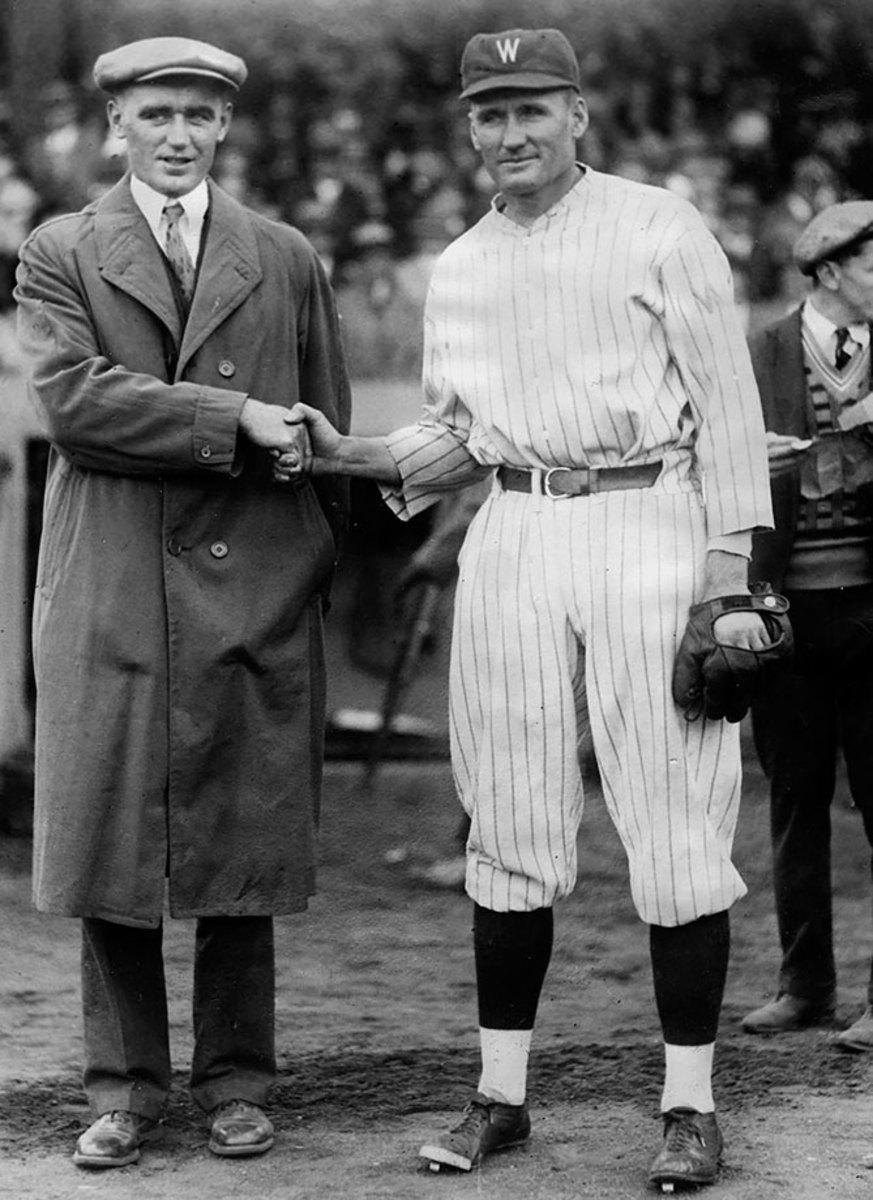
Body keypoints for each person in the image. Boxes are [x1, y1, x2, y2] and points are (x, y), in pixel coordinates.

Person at [278, 27, 774, 1190]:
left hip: (649, 518)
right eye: (489, 114)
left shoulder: (661, 225)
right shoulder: (460, 264)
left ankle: (690, 1106)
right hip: (514, 532)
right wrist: (345, 449)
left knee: (675, 826)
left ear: (579, 115)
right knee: (505, 820)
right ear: (469, 129)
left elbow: (730, 413)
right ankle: (501, 1095)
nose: (509, 133)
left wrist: (727, 574)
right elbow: (458, 434)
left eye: (531, 109)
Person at [14, 37, 350, 1168]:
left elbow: (330, 426)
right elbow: (72, 401)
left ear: (224, 129)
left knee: (237, 840)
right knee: (114, 843)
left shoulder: (286, 255)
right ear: (115, 126)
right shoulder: (59, 249)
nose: (178, 134)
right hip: (108, 583)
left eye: (200, 116)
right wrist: (235, 421)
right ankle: (124, 1089)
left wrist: (300, 554)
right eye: (156, 113)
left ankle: (239, 1083)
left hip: (248, 584)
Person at [741, 202, 873, 1049]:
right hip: (787, 613)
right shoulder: (761, 349)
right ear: (828, 272)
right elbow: (717, 458)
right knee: (794, 801)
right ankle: (804, 987)